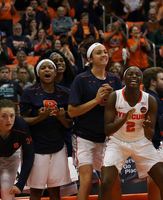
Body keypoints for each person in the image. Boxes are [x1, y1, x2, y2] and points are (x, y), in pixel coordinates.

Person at [99, 66, 163, 200]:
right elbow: (107, 130)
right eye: (130, 74)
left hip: (141, 142)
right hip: (117, 142)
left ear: (141, 80)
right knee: (105, 183)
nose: (134, 76)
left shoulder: (149, 100)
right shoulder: (114, 96)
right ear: (124, 78)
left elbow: (150, 135)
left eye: (137, 74)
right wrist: (124, 119)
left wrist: (146, 127)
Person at [68, 43, 122, 200]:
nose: (104, 54)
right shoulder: (81, 79)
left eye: (105, 52)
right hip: (83, 137)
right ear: (90, 59)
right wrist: (97, 100)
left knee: (113, 181)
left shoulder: (115, 79)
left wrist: (114, 98)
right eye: (99, 53)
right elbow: (71, 112)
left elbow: (120, 109)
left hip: (106, 138)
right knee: (86, 181)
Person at [20, 58, 72, 200]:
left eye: (50, 67)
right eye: (43, 68)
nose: (47, 70)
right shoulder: (29, 92)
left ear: (55, 73)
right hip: (36, 149)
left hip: (58, 147)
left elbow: (70, 124)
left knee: (55, 191)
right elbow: (22, 121)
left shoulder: (66, 93)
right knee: (36, 191)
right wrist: (39, 118)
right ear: (38, 73)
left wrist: (62, 118)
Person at [0, 99, 34, 200]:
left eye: (12, 116)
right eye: (4, 116)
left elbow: (29, 155)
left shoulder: (21, 125)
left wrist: (20, 184)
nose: (9, 120)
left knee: (7, 190)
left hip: (10, 157)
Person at [143, 67, 163, 149]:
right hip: (155, 144)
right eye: (162, 79)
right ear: (153, 82)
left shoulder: (150, 96)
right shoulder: (153, 99)